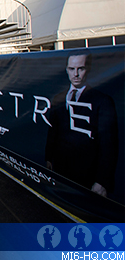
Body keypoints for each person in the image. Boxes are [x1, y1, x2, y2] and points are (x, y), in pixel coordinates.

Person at [45, 51, 118, 197]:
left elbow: (109, 144)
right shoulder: (58, 98)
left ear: (88, 69)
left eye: (81, 68)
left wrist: (102, 181)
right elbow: (53, 131)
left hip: (87, 176)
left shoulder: (102, 101)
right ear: (66, 70)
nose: (76, 74)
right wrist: (48, 158)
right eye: (72, 69)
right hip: (61, 171)